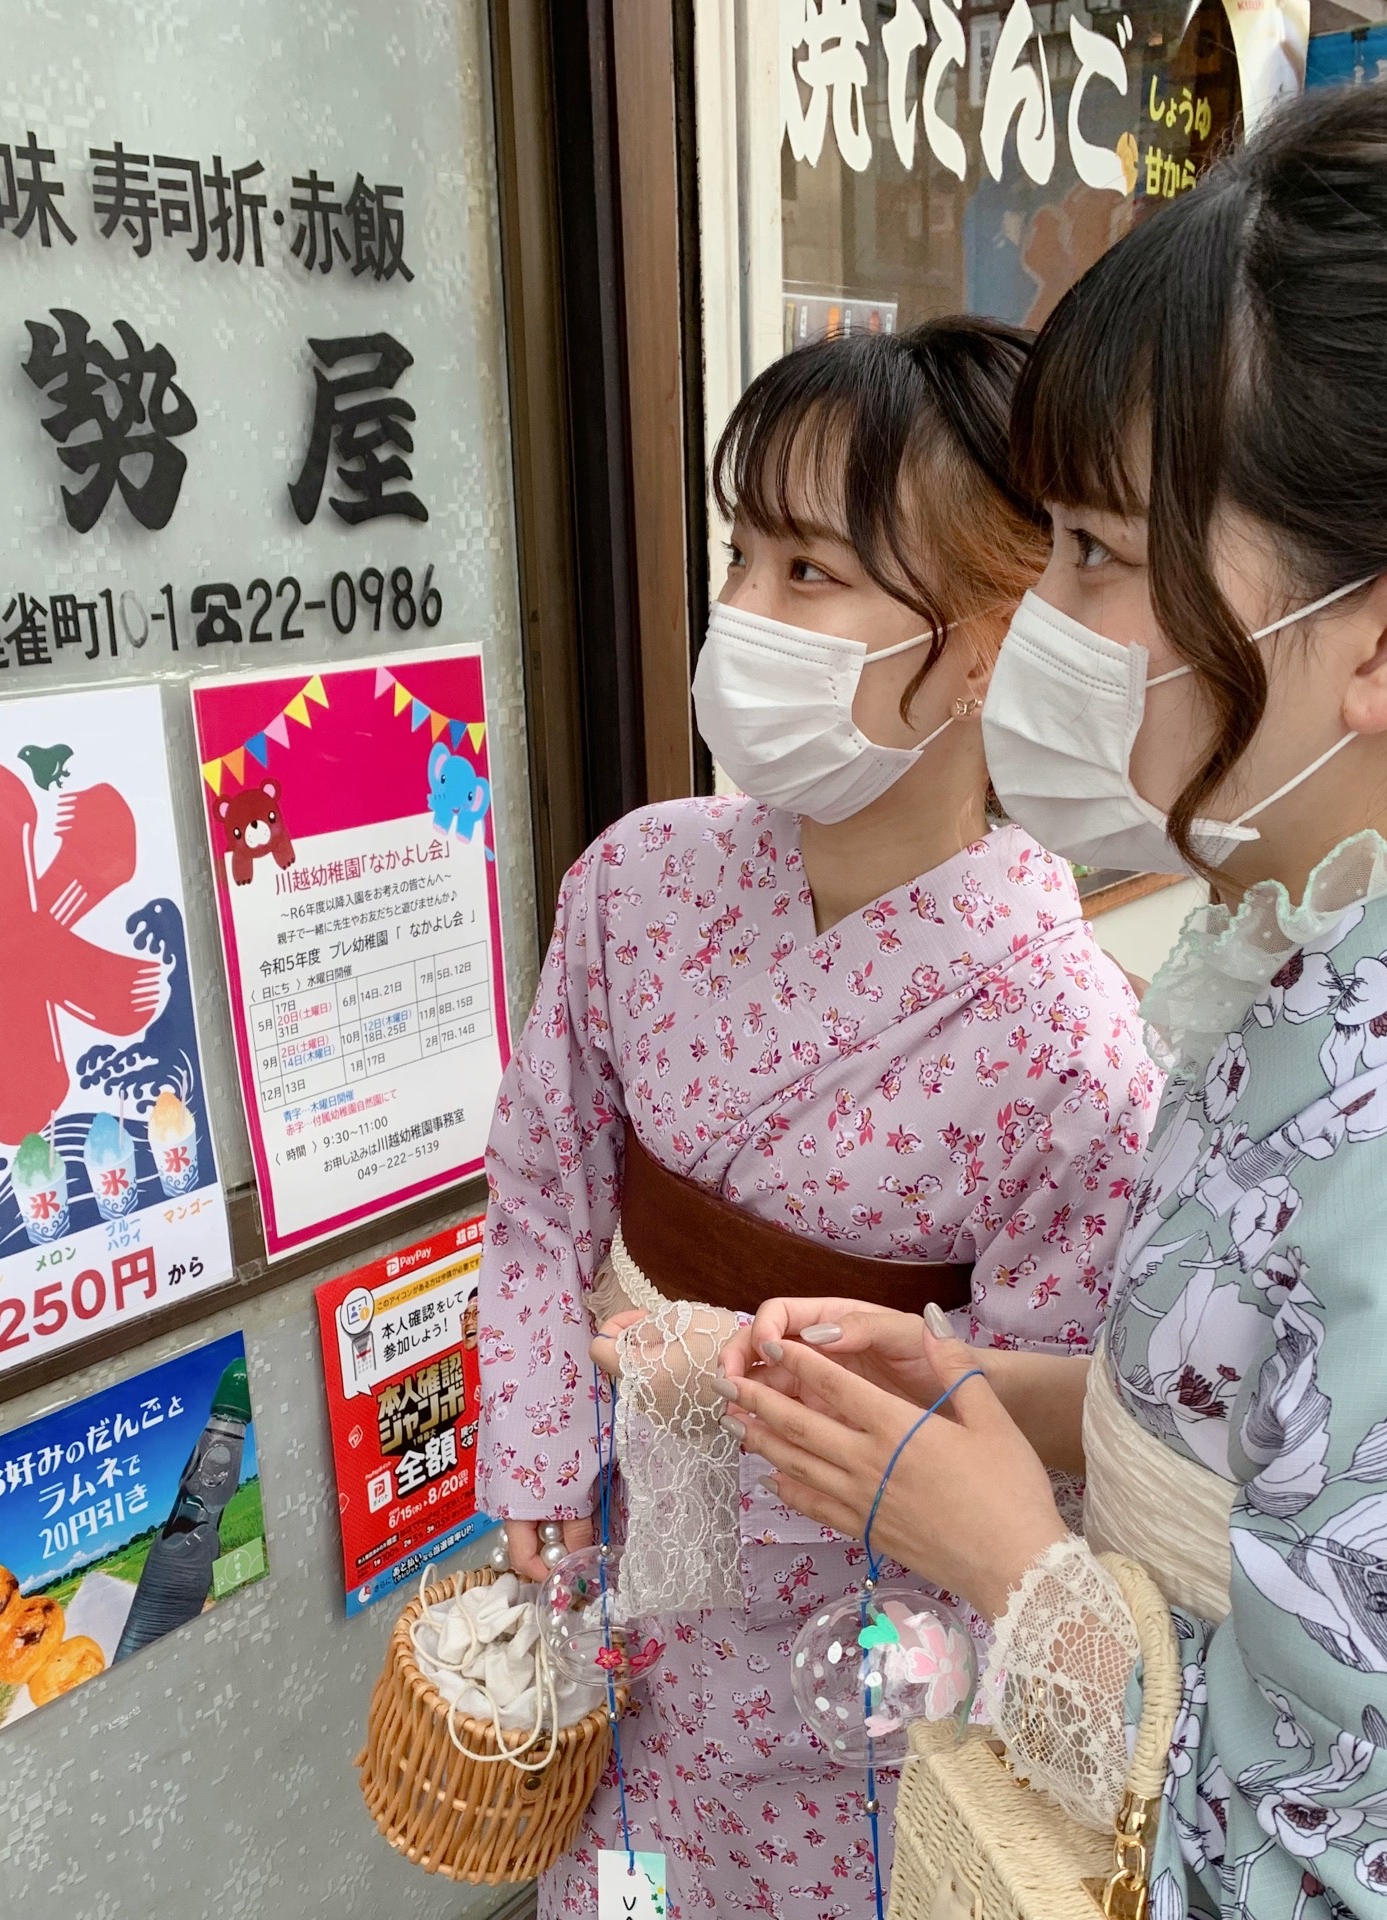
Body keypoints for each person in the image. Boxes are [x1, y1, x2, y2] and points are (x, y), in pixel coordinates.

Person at [719, 71, 1387, 1918]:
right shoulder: (1331, 956)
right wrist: (1010, 1393)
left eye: (1102, 555)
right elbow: (1283, 1444)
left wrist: (1014, 1562)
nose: (1041, 617)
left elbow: (1368, 1870)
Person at [474, 319, 1161, 1917]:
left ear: (986, 642)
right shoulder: (640, 884)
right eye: (743, 556)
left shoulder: (1069, 1049)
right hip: (621, 1570)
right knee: (619, 1885)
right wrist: (538, 1469)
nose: (745, 617)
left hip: (850, 1664)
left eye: (810, 574)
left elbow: (1024, 1455)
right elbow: (538, 1201)